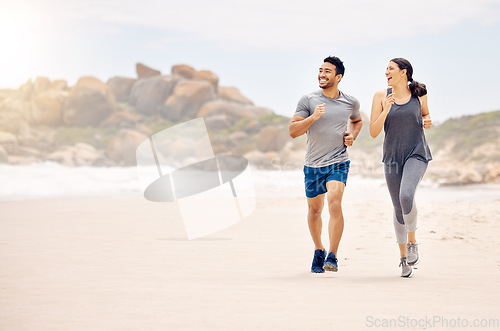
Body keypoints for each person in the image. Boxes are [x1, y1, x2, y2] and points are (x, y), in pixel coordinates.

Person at [289, 56, 363, 273]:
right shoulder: (308, 100)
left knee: (335, 203)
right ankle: (318, 249)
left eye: (327, 71)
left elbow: (357, 121)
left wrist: (352, 136)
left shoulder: (351, 102)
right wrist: (312, 118)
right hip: (312, 164)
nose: (322, 74)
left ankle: (333, 255)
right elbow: (293, 131)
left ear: (338, 77)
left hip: (338, 161)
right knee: (314, 210)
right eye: (320, 70)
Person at [369, 57, 432, 278]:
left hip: (417, 152)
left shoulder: (419, 92)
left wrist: (427, 120)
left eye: (391, 69)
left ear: (403, 72)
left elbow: (425, 113)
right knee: (398, 208)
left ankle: (413, 242)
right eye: (386, 69)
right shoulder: (380, 96)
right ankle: (404, 259)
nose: (386, 72)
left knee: (407, 196)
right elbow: (374, 132)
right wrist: (386, 110)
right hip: (392, 157)